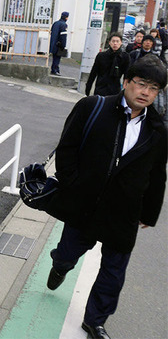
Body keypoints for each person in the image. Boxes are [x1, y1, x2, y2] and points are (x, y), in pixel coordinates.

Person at [44, 55, 167, 339]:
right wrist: (72, 184)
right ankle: (60, 265)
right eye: (141, 84)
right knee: (67, 253)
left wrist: (149, 213)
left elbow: (157, 174)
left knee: (113, 273)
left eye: (154, 88)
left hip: (124, 212)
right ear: (126, 82)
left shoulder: (158, 130)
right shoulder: (93, 106)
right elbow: (67, 147)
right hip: (85, 204)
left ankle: (95, 320)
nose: (146, 92)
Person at [85, 32, 131, 96]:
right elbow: (93, 73)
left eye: (117, 41)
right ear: (109, 42)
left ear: (121, 43)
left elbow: (127, 74)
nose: (115, 43)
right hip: (100, 88)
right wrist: (88, 88)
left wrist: (125, 88)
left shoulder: (125, 57)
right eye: (113, 41)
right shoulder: (101, 56)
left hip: (115, 90)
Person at [49, 11, 69, 76]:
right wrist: (63, 45)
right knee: (57, 58)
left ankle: (54, 69)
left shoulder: (55, 23)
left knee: (54, 57)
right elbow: (63, 36)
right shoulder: (64, 25)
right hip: (59, 44)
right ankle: (55, 70)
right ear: (66, 17)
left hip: (53, 43)